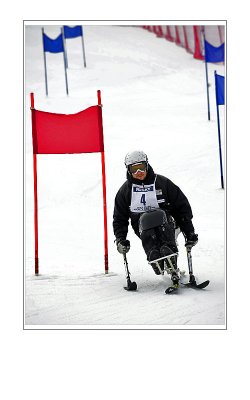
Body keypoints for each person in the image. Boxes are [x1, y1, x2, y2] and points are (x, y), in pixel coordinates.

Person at [113, 150, 198, 287]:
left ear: (147, 165)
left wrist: (189, 232)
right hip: (143, 228)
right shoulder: (125, 191)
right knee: (146, 219)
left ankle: (168, 252)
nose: (138, 172)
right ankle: (154, 256)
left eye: (141, 167)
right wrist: (120, 239)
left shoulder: (162, 183)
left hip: (169, 224)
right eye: (134, 169)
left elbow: (182, 207)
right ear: (128, 170)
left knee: (158, 215)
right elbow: (119, 218)